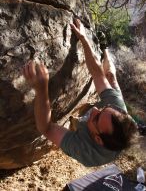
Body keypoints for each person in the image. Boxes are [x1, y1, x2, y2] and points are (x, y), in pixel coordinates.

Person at [22, 19, 137, 167]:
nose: (94, 109)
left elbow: (46, 128)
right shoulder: (116, 109)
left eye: (96, 118)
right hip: (113, 124)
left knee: (83, 119)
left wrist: (41, 89)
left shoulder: (86, 151)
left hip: (92, 145)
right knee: (110, 77)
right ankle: (105, 48)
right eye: (102, 109)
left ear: (97, 139)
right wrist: (83, 37)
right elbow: (97, 74)